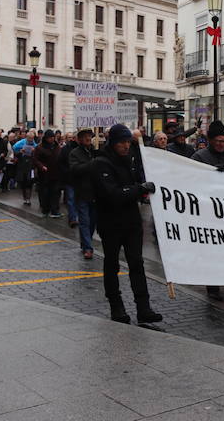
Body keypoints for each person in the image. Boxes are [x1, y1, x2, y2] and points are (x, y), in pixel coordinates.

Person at [92, 124, 163, 324]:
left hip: (131, 222)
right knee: (112, 264)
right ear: (113, 142)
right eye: (122, 142)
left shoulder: (129, 159)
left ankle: (144, 307)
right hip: (111, 222)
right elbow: (113, 194)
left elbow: (136, 182)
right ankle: (116, 306)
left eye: (128, 142)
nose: (125, 146)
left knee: (137, 264)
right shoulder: (101, 163)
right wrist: (139, 189)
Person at [191, 120, 224, 300]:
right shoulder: (199, 157)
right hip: (207, 212)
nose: (221, 144)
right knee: (211, 250)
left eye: (223, 141)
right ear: (210, 140)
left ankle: (220, 279)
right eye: (218, 141)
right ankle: (213, 287)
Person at [69, 128, 98, 259]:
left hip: (95, 192)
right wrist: (91, 165)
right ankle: (88, 247)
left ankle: (85, 242)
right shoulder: (74, 153)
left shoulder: (94, 151)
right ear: (79, 139)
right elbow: (74, 169)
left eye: (89, 136)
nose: (88, 138)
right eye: (85, 136)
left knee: (92, 221)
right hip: (82, 192)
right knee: (85, 221)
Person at [34, 129, 62, 218]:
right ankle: (45, 209)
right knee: (45, 193)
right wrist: (42, 166)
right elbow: (35, 159)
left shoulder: (57, 147)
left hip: (56, 173)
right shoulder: (39, 147)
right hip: (44, 175)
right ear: (46, 138)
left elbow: (60, 157)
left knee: (55, 192)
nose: (52, 139)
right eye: (50, 138)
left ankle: (55, 210)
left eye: (53, 137)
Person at [58, 132, 79, 228]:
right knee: (71, 199)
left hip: (80, 179)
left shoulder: (84, 148)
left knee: (79, 200)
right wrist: (66, 172)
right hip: (70, 178)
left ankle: (77, 216)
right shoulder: (65, 149)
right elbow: (61, 162)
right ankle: (72, 218)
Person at [13, 130, 38, 205]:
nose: (31, 139)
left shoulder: (35, 145)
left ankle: (28, 199)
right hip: (22, 166)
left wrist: (34, 152)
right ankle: (25, 198)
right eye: (29, 138)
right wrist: (21, 152)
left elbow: (37, 156)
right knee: (23, 183)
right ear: (26, 137)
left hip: (30, 166)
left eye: (32, 138)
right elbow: (16, 152)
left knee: (29, 182)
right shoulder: (21, 143)